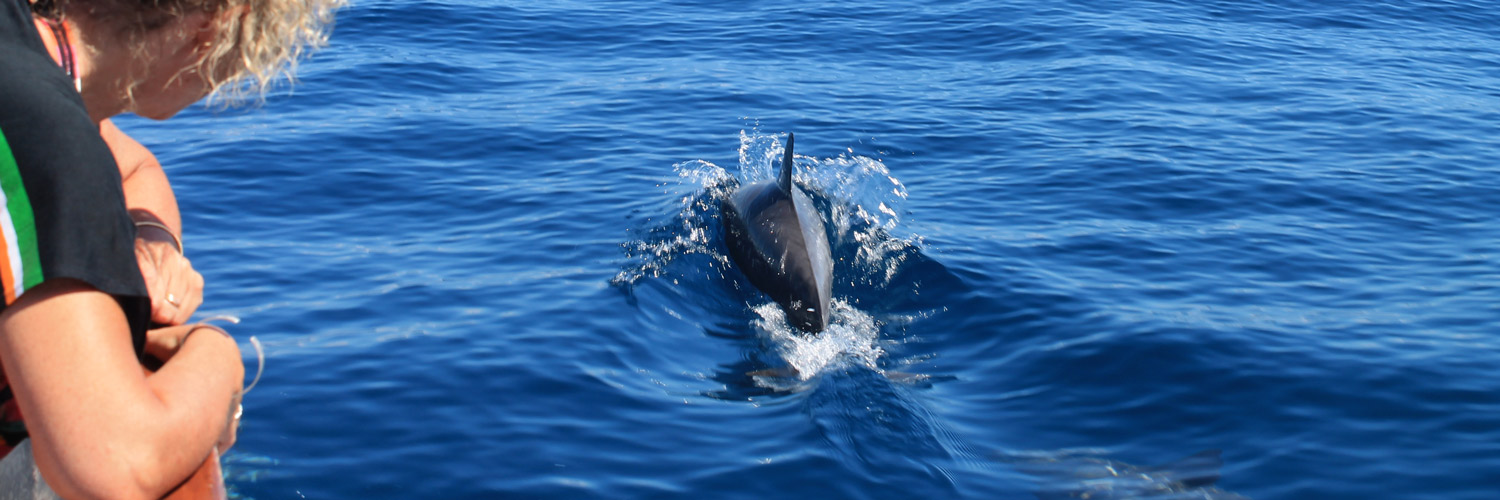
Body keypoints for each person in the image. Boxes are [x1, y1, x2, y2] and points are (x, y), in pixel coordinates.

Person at [0, 0, 341, 496]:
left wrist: (154, 237)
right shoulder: (50, 147)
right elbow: (116, 468)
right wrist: (219, 360)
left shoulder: (22, 48)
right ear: (215, 26)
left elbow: (135, 166)